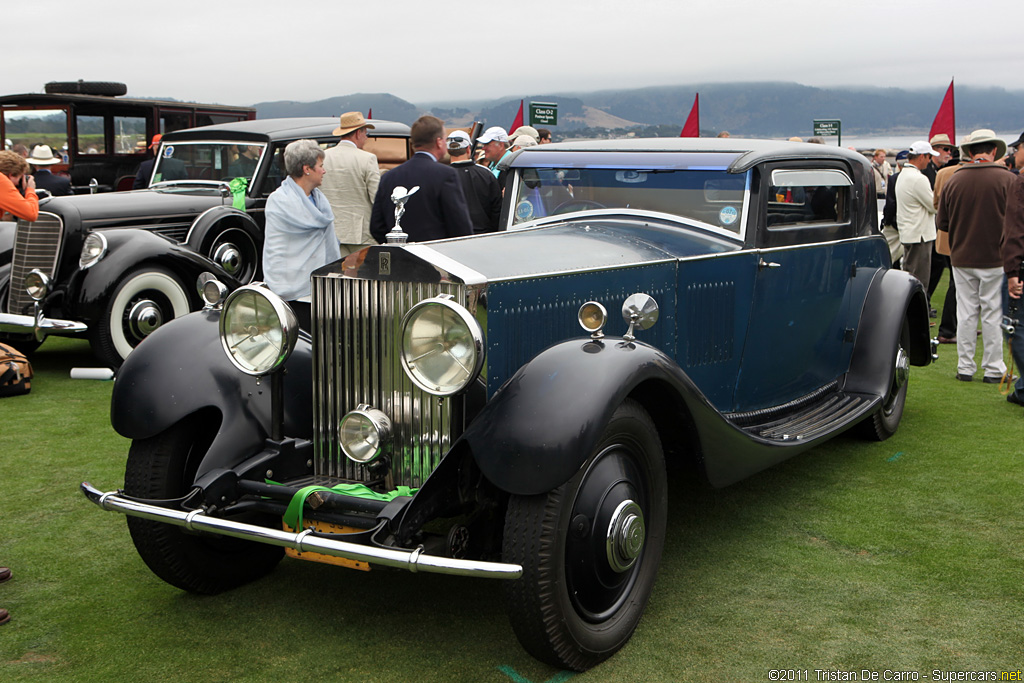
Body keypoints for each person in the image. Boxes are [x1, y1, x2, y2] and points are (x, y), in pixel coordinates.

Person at [936, 129, 1015, 383]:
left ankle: (965, 367)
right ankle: (993, 369)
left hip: (961, 256)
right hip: (996, 256)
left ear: (970, 152)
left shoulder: (954, 180)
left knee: (966, 311)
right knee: (992, 312)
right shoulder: (1007, 179)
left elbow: (943, 223)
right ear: (993, 151)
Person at [262, 139, 340, 329]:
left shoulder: (320, 200)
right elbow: (276, 249)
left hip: (319, 290)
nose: (324, 170)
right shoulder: (279, 201)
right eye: (320, 166)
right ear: (307, 169)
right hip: (291, 292)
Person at [369, 115, 473, 244]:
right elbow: (460, 226)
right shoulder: (445, 175)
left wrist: (397, 246)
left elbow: (376, 227)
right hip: (434, 256)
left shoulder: (388, 177)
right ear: (439, 142)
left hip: (399, 257)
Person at [321, 112, 380, 256]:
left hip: (330, 231)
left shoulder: (323, 157)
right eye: (366, 133)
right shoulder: (368, 159)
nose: (366, 137)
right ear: (358, 133)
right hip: (361, 234)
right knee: (364, 276)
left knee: (334, 276)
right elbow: (376, 198)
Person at [895, 141, 938, 291]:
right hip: (920, 236)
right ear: (921, 157)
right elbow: (934, 206)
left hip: (910, 233)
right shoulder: (918, 179)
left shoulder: (903, 175)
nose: (929, 160)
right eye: (928, 157)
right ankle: (915, 313)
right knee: (919, 281)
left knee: (909, 277)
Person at [1000, 131, 1024, 405]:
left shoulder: (1021, 182)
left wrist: (1013, 272)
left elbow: (1016, 229)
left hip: (1022, 267)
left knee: (1017, 327)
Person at [447, 130, 501, 234]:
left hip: (452, 238)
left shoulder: (441, 176)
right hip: (483, 236)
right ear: (468, 149)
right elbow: (497, 210)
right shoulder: (486, 174)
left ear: (448, 150)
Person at [0, 150, 39, 222]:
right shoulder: (2, 181)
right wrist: (30, 190)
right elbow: (31, 214)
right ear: (11, 175)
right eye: (20, 178)